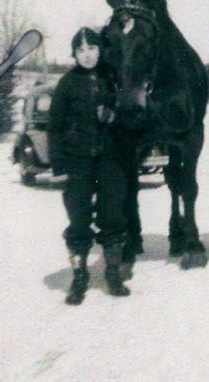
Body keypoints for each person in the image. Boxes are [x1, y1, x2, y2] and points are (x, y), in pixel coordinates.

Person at [49, 27, 130, 304]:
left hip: (111, 160)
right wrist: (58, 166)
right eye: (81, 50)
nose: (87, 55)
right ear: (74, 54)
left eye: (92, 49)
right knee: (78, 217)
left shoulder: (113, 78)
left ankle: (112, 273)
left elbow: (131, 111)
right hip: (77, 161)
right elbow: (54, 127)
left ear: (100, 50)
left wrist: (114, 111)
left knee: (112, 215)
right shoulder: (67, 83)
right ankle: (79, 276)